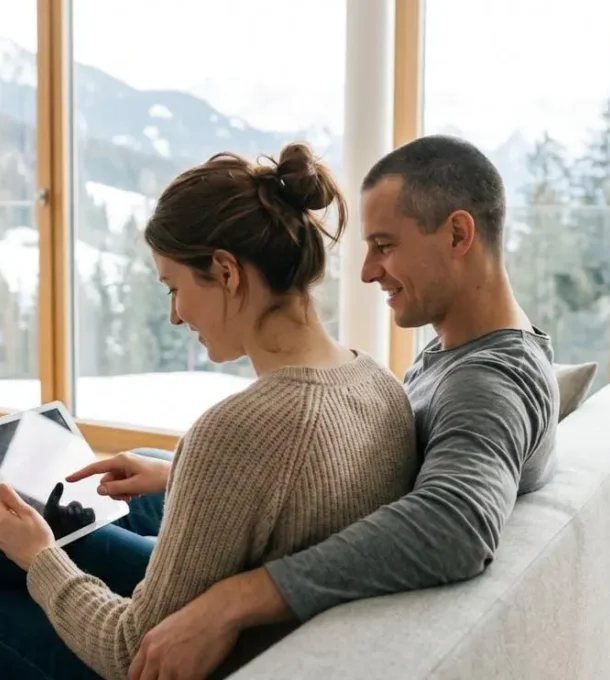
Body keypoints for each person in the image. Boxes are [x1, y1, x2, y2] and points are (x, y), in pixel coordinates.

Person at [0, 142, 420, 680]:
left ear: (227, 272)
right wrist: (177, 473)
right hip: (271, 636)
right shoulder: (376, 381)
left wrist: (42, 560)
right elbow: (293, 495)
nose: (176, 315)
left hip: (205, 658)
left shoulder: (239, 428)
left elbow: (126, 648)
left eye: (173, 287)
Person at [126, 134, 561, 680]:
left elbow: (459, 524)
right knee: (108, 490)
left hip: (283, 623)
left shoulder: (488, 383)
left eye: (385, 245)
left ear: (457, 233)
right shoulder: (469, 350)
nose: (366, 271)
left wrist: (239, 598)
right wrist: (186, 475)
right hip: (310, 525)